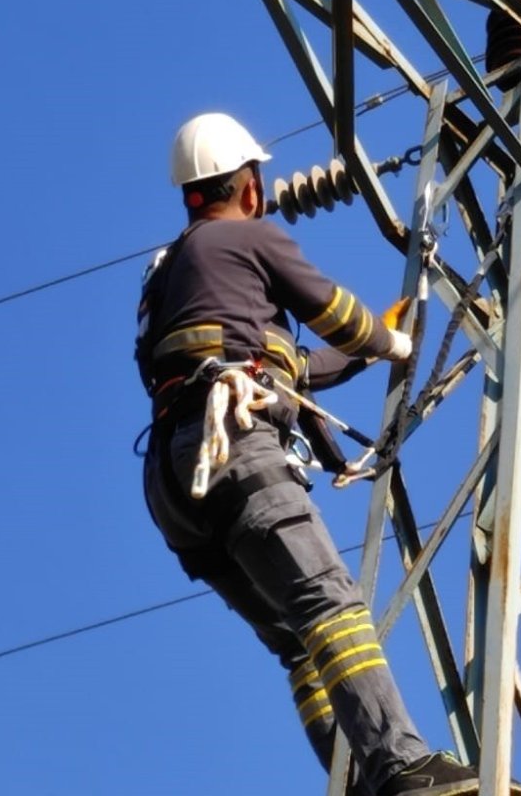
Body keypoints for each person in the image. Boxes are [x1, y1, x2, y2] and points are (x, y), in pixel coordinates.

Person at [135, 112, 485, 795]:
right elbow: (332, 313)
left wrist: (358, 356)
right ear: (250, 186)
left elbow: (282, 362)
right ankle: (404, 770)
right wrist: (387, 343)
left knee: (299, 642)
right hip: (234, 443)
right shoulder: (249, 237)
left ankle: (354, 780)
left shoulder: (175, 272)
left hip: (178, 482)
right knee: (331, 605)